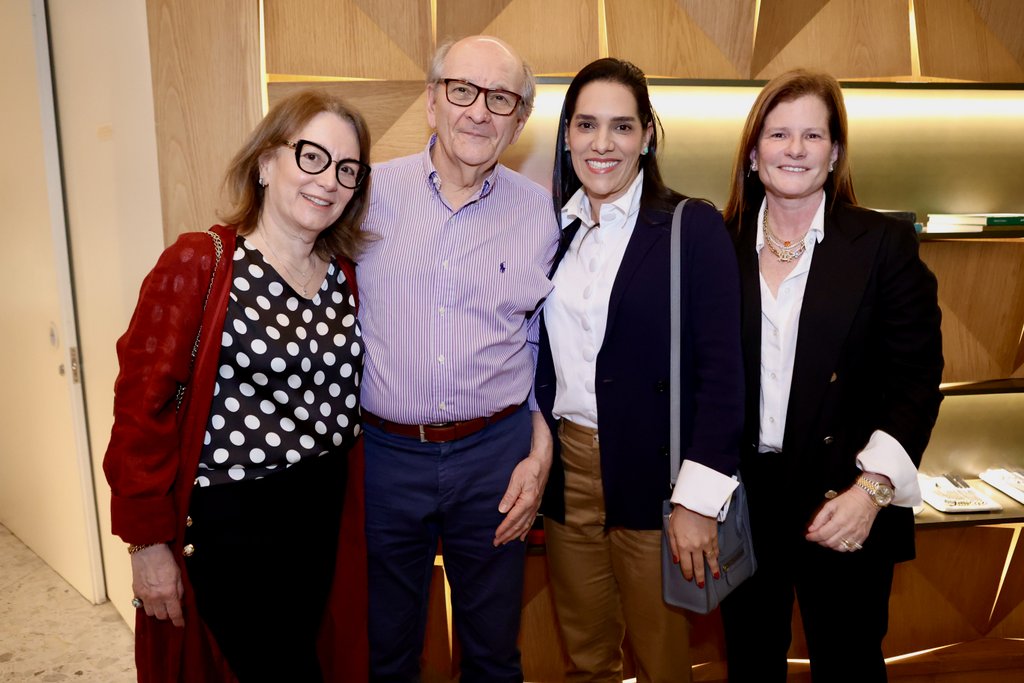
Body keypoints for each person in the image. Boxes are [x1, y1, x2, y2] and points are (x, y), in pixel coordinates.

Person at [103, 89, 372, 682]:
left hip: (324, 517)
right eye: (311, 157)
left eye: (347, 169)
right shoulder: (202, 262)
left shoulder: (343, 277)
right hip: (233, 527)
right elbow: (140, 411)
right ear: (266, 162)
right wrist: (146, 546)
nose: (328, 181)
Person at [719, 69, 944, 682]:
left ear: (835, 151)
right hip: (742, 501)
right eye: (778, 134)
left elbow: (916, 380)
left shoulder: (883, 243)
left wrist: (872, 492)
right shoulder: (718, 243)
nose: (794, 149)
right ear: (753, 152)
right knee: (749, 666)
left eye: (812, 135)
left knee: (849, 664)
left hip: (845, 495)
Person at [356, 35, 560, 682]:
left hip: (494, 455)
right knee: (387, 652)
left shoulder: (541, 213)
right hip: (386, 456)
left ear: (519, 120)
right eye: (462, 90)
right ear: (432, 102)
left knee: (494, 654)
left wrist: (538, 451)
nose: (478, 111)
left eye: (500, 98)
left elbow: (538, 342)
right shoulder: (365, 196)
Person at [534, 58, 744, 682]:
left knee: (662, 662)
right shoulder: (552, 229)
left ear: (647, 136)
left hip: (659, 478)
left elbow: (724, 376)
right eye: (586, 125)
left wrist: (698, 502)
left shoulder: (690, 226)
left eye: (621, 127)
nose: (602, 143)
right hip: (568, 471)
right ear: (566, 135)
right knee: (586, 658)